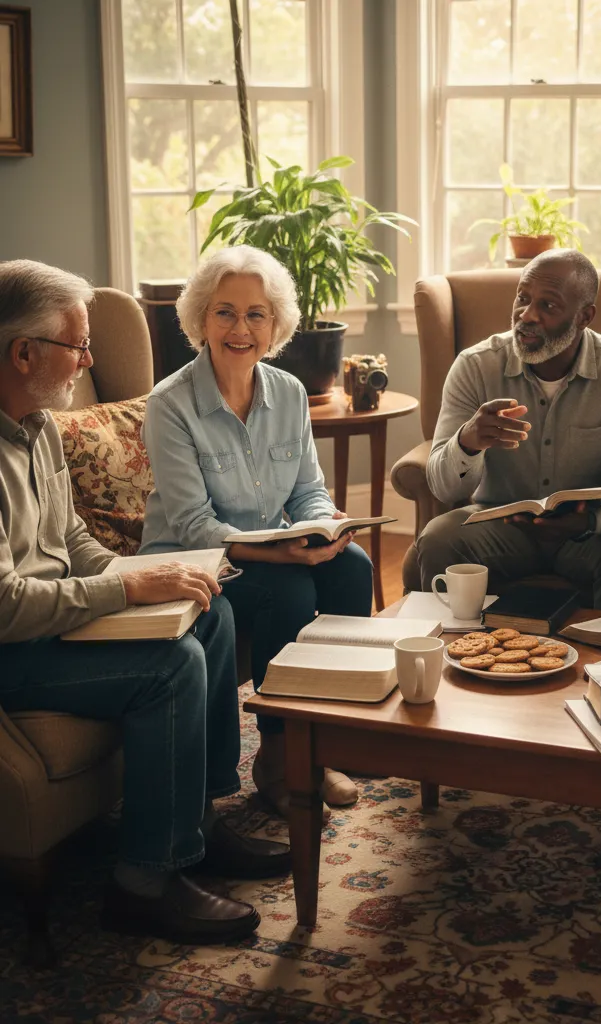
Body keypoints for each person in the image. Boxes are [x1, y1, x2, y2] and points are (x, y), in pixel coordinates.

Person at [0, 260, 290, 944]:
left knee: (208, 610)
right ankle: (143, 883)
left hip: (54, 621)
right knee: (172, 667)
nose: (89, 360)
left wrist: (146, 581)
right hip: (13, 647)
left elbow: (67, 535)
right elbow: (6, 607)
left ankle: (200, 824)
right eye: (78, 346)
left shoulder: (37, 424)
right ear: (23, 352)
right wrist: (128, 588)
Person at [140, 245, 374, 820]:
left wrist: (325, 522)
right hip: (196, 563)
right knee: (286, 589)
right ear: (200, 319)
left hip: (270, 551)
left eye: (255, 314)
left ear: (275, 326)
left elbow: (306, 489)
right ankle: (277, 757)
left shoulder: (289, 393)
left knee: (355, 566)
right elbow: (195, 527)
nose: (240, 328)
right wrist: (286, 556)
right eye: (224, 312)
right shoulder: (170, 405)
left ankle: (328, 741)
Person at [415, 249, 601, 611]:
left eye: (548, 306)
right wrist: (467, 442)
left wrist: (590, 518)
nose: (526, 315)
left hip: (590, 534)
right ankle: (451, 659)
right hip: (500, 526)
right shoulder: (474, 366)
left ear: (584, 317)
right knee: (440, 537)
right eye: (523, 298)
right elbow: (442, 486)